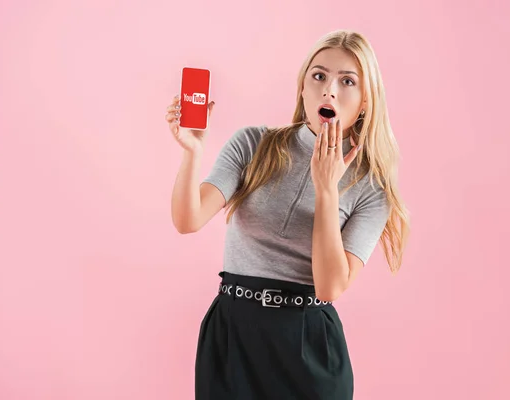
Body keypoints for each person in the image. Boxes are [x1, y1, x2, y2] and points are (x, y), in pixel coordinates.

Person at [166, 29, 410, 400]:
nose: (330, 89)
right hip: (232, 335)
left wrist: (327, 189)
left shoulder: (371, 189)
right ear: (302, 88)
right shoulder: (253, 144)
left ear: (364, 102)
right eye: (319, 76)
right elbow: (189, 219)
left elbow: (330, 287)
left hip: (307, 345)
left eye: (347, 81)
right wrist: (192, 151)